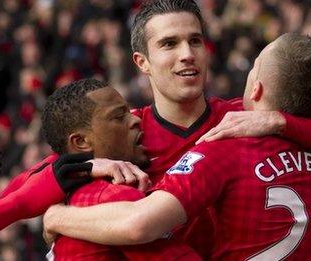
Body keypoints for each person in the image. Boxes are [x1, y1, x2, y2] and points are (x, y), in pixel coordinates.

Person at [0, 0, 311, 252]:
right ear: (143, 63)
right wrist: (81, 168)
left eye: (195, 41)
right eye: (169, 44)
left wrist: (281, 120)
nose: (187, 54)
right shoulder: (122, 132)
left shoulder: (242, 122)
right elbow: (20, 192)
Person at [43, 33, 311, 260]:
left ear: (255, 87)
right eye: (170, 43)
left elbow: (139, 225)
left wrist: (56, 217)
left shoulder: (226, 150)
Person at [40, 78, 199, 260]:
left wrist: (54, 216)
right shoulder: (116, 200)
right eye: (118, 116)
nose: (135, 119)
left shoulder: (67, 197)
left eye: (129, 111)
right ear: (81, 142)